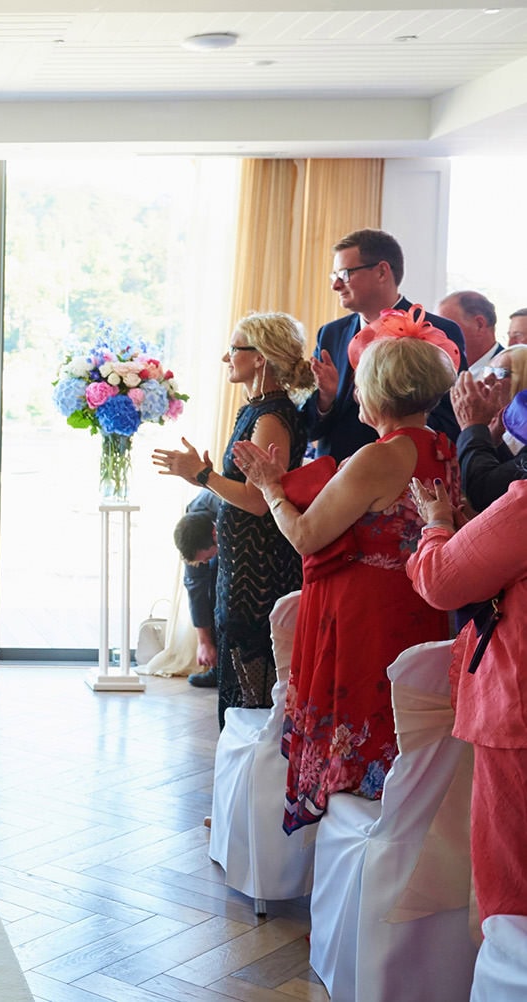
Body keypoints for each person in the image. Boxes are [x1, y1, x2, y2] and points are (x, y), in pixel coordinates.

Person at [233, 323, 459, 833]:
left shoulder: (380, 456)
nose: (354, 390)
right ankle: (389, 834)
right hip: (419, 608)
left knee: (361, 728)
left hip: (365, 620)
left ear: (381, 390)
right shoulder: (443, 447)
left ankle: (355, 843)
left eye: (360, 380)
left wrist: (272, 488)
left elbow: (307, 536)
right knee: (403, 725)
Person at [153, 313, 308, 728]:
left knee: (250, 684)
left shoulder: (271, 417)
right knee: (237, 675)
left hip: (259, 570)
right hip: (243, 563)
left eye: (235, 348)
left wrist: (202, 476)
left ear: (260, 358)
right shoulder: (257, 410)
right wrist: (206, 477)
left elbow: (259, 502)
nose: (226, 356)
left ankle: (251, 777)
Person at [407, 476, 527, 930]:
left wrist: (436, 525)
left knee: (514, 893)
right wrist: (474, 532)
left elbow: (440, 580)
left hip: (518, 711)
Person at [303, 228, 466, 462]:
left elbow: (453, 417)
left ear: (381, 272)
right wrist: (325, 400)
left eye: (345, 274)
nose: (336, 285)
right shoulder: (330, 334)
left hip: (399, 474)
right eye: (334, 276)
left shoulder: (436, 330)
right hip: (332, 480)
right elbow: (310, 430)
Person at [453, 350, 527, 513]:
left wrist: (472, 426)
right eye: (489, 370)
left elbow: (482, 492)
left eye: (500, 372)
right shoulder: (504, 428)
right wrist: (492, 440)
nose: (488, 379)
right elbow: (509, 478)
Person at [172, 492, 219, 687]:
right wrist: (203, 642)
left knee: (223, 592)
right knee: (205, 589)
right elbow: (195, 587)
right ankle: (217, 667)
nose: (204, 562)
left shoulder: (224, 508)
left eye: (206, 558)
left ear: (216, 535)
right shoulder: (191, 525)